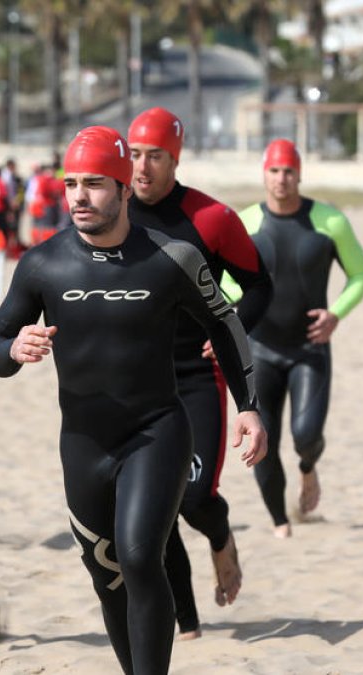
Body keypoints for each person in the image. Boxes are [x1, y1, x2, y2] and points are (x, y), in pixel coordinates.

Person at [0, 126, 266, 675]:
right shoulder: (43, 264)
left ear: (124, 189)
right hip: (84, 444)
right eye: (71, 185)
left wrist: (248, 407)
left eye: (95, 184)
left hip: (155, 432)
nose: (80, 197)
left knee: (139, 557)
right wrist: (13, 346)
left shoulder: (172, 257)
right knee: (107, 577)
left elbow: (227, 325)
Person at [126, 106, 272, 639]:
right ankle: (185, 623)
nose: (141, 168)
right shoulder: (114, 213)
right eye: (135, 154)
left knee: (193, 499)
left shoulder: (211, 219)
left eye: (154, 156)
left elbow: (259, 285)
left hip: (195, 379)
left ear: (175, 158)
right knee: (155, 511)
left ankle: (220, 534)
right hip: (136, 384)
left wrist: (227, 327)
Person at [222, 139, 363, 539]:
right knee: (262, 439)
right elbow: (223, 283)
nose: (281, 179)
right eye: (274, 171)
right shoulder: (246, 222)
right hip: (259, 349)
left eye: (288, 171)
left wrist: (335, 313)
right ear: (264, 175)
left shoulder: (329, 221)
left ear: (299, 175)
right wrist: (238, 308)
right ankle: (280, 522)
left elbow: (361, 275)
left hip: (309, 348)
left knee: (306, 436)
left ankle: (308, 469)